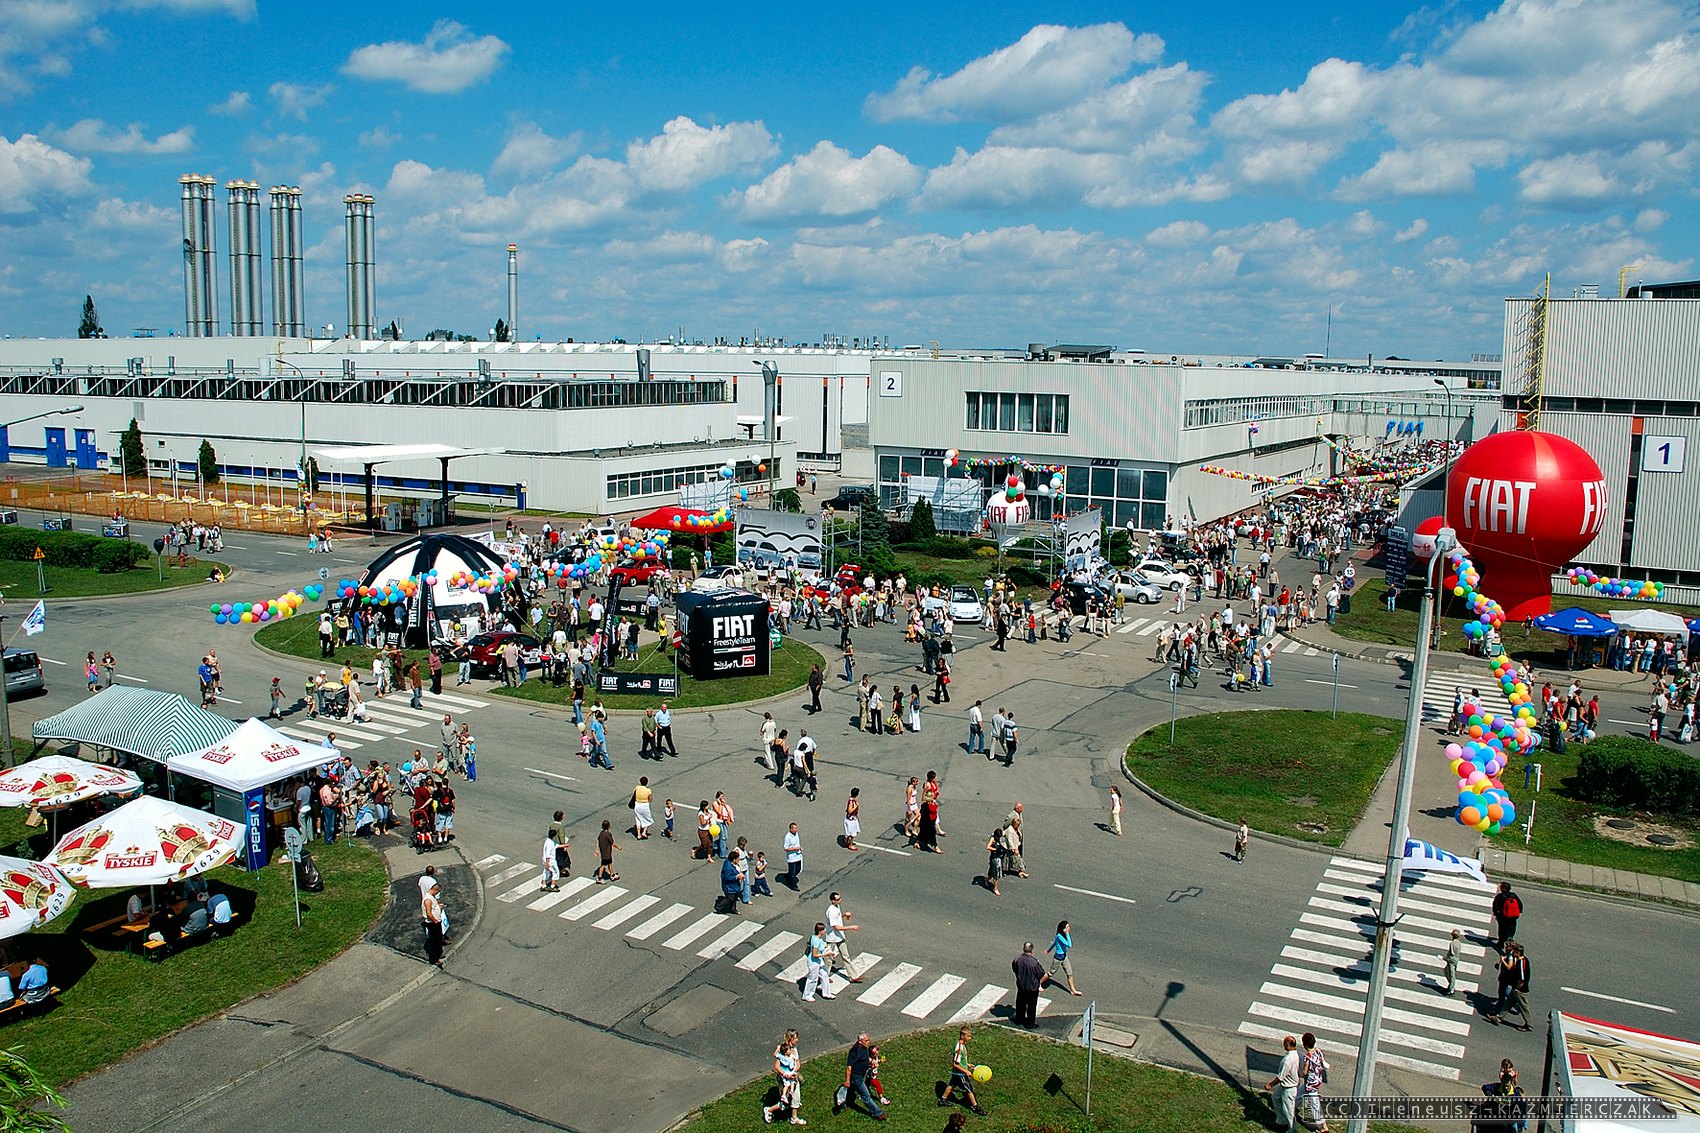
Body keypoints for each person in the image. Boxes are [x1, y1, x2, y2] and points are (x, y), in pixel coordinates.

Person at [937, 1026, 988, 1116]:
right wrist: (966, 1071)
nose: (970, 1038)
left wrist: (967, 1064)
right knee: (969, 1089)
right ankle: (975, 1107)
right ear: (962, 1036)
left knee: (952, 1085)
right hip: (960, 1073)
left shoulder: (961, 1045)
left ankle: (943, 1100)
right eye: (968, 1036)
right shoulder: (959, 1048)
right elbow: (955, 1064)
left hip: (957, 1072)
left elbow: (960, 1061)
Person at [763, 1031, 806, 1126]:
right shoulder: (783, 1050)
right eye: (795, 1038)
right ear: (790, 1038)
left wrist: (794, 1072)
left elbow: (798, 1063)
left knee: (796, 1097)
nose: (797, 1040)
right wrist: (786, 1075)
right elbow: (777, 1066)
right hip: (785, 1080)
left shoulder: (794, 1049)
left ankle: (794, 1118)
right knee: (785, 1102)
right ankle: (769, 1110)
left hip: (793, 1078)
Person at [841, 1032, 886, 1120]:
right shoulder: (855, 1051)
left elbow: (864, 1057)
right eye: (866, 1040)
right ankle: (878, 1114)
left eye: (868, 1039)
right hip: (857, 1077)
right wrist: (847, 1080)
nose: (868, 1042)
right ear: (860, 1041)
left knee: (851, 1090)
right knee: (866, 1096)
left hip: (862, 1074)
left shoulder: (864, 1047)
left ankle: (845, 1103)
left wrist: (871, 1061)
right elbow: (849, 1067)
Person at [824, 892, 863, 983]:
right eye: (838, 899)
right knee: (829, 959)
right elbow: (836, 927)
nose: (840, 900)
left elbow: (836, 919)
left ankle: (853, 976)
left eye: (840, 898)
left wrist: (844, 915)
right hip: (832, 938)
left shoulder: (837, 907)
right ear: (833, 901)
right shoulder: (831, 910)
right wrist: (851, 927)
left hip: (839, 937)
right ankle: (824, 976)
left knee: (846, 956)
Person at [1265, 1034, 1300, 1132]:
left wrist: (1270, 1084)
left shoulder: (1287, 1060)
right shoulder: (1295, 1054)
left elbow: (1281, 1077)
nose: (1283, 1046)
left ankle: (1292, 1130)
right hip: (1284, 1086)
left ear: (1288, 1045)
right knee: (1275, 1098)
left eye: (1284, 1044)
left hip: (1288, 1088)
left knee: (1289, 1111)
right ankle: (1281, 1121)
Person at [1298, 1031, 1329, 1133]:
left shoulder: (1307, 1057)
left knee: (1314, 1104)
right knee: (1299, 1094)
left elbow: (1305, 1072)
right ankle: (1291, 1107)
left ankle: (1323, 1126)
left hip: (1311, 1084)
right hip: (1317, 1079)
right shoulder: (1318, 1051)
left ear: (1305, 1045)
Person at [1012, 941, 1045, 1026]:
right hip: (1032, 987)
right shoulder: (1034, 962)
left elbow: (1015, 969)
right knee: (1031, 1006)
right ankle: (1030, 1023)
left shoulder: (1017, 959)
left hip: (1021, 985)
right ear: (1032, 950)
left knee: (1020, 1003)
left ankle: (1019, 1019)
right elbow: (1041, 973)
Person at [1045, 919, 1081, 996]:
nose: (1069, 928)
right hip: (1058, 958)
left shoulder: (1062, 936)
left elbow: (1054, 943)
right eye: (1067, 927)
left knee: (1069, 973)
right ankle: (1039, 983)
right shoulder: (1059, 936)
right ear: (1063, 929)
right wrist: (1067, 934)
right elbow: (1069, 945)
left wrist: (1048, 950)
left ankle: (1073, 990)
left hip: (1064, 957)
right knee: (1050, 973)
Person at [801, 921, 835, 1002]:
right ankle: (807, 995)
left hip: (819, 961)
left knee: (825, 975)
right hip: (813, 962)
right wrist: (826, 954)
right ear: (820, 931)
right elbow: (815, 954)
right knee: (813, 979)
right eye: (824, 929)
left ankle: (826, 993)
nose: (826, 930)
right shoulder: (816, 941)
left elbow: (822, 946)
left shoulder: (816, 938)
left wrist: (826, 949)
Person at [1491, 882, 1522, 951]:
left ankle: (1501, 943)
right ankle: (1510, 943)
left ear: (1502, 888)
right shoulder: (1513, 895)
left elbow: (1495, 906)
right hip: (1512, 918)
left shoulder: (1499, 896)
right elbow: (1520, 905)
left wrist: (1496, 914)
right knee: (1511, 930)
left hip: (1503, 918)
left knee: (1502, 931)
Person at [421, 879, 445, 967]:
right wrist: (435, 921)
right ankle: (434, 959)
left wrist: (438, 907)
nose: (437, 894)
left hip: (435, 922)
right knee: (434, 941)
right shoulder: (428, 899)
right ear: (434, 890)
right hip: (432, 923)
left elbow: (433, 908)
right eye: (437, 892)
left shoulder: (431, 897)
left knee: (438, 939)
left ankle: (439, 953)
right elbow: (428, 913)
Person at [719, 849, 746, 914]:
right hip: (729, 887)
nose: (738, 860)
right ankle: (719, 907)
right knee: (730, 898)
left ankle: (733, 909)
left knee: (734, 897)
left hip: (734, 886)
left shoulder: (730, 861)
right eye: (737, 859)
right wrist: (737, 876)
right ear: (734, 860)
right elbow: (727, 877)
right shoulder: (728, 868)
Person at [595, 819, 620, 883]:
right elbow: (612, 843)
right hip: (607, 852)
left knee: (609, 863)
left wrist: (597, 849)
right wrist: (618, 847)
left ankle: (612, 875)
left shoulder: (601, 833)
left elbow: (598, 841)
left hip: (604, 852)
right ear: (609, 826)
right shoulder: (608, 834)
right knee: (603, 865)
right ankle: (599, 878)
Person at [984, 826, 1005, 896]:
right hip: (995, 858)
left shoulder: (1000, 837)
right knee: (996, 873)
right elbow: (988, 847)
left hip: (1000, 857)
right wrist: (995, 849)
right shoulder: (992, 839)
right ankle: (995, 888)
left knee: (992, 871)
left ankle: (987, 879)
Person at [541, 828, 562, 893]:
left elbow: (555, 845)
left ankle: (544, 885)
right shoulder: (550, 843)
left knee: (546, 872)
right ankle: (553, 886)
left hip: (545, 860)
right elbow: (548, 854)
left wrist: (564, 846)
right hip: (550, 861)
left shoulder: (548, 841)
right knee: (556, 872)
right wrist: (547, 863)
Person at [784, 822, 803, 889]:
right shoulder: (788, 837)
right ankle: (792, 885)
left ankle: (788, 876)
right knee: (792, 873)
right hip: (792, 858)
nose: (796, 830)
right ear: (790, 829)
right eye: (794, 828)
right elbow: (786, 848)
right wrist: (795, 848)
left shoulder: (796, 834)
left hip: (798, 855)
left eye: (796, 828)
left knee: (798, 869)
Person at [1444, 927, 1462, 996]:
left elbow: (1451, 953)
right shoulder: (1459, 943)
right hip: (1456, 959)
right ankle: (1451, 985)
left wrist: (1445, 958)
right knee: (1446, 971)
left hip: (1452, 959)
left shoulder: (1452, 943)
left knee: (1451, 974)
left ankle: (1451, 989)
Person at [843, 787, 862, 852]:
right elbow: (849, 811)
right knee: (852, 833)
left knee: (852, 832)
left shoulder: (852, 800)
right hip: (851, 821)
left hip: (852, 819)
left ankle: (847, 840)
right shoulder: (852, 801)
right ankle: (850, 845)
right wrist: (856, 807)